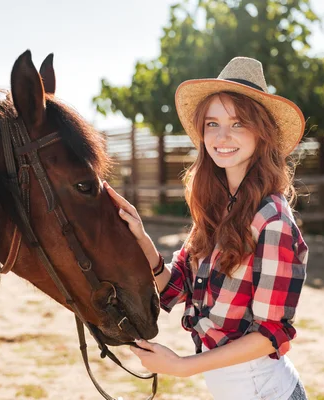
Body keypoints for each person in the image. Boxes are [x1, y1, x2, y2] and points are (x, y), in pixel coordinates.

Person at [104, 57, 309, 400]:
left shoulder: (273, 222)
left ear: (262, 134)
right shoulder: (217, 209)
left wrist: (184, 366)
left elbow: (271, 333)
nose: (222, 135)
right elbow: (177, 285)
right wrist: (139, 236)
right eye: (212, 123)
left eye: (238, 123)